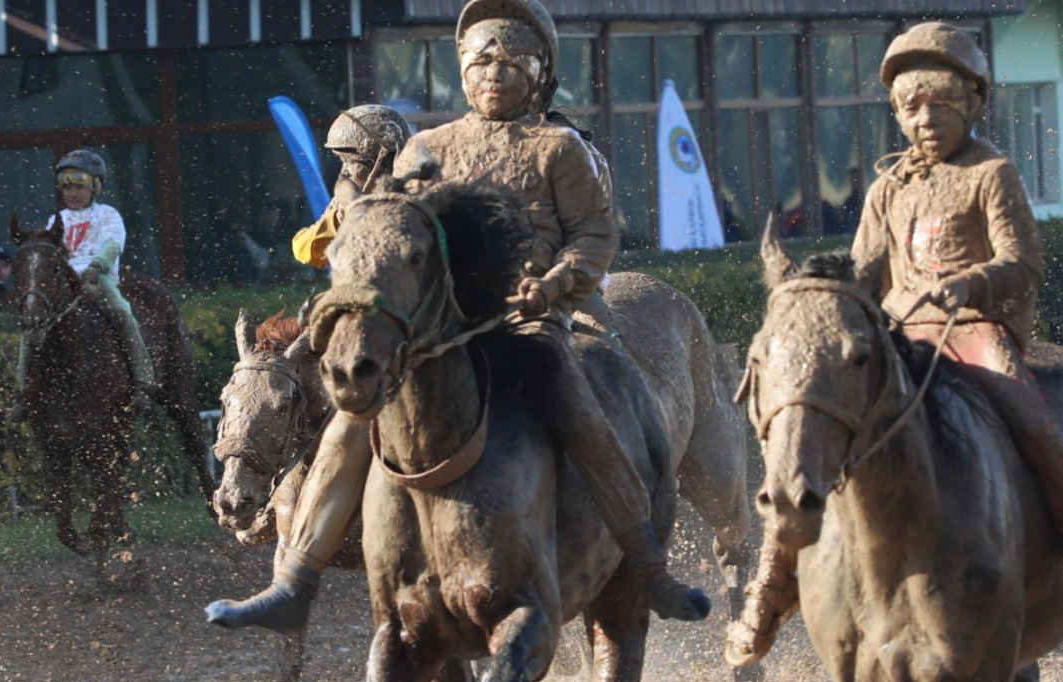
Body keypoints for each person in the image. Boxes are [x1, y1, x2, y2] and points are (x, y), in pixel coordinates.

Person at [208, 0, 709, 634]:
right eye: (478, 60)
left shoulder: (565, 148)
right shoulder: (431, 148)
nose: (492, 73)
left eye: (509, 60)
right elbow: (398, 230)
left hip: (545, 315)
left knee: (588, 407)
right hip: (450, 321)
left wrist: (553, 283)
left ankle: (646, 566)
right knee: (350, 415)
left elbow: (593, 236)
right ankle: (295, 578)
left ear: (540, 72)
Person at [724, 21, 1063, 669]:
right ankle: (770, 589)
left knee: (1034, 425)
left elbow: (1023, 262)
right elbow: (865, 271)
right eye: (912, 107)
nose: (925, 119)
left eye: (940, 105)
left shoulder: (991, 174)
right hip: (896, 340)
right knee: (806, 430)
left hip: (973, 334)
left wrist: (970, 285)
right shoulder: (888, 187)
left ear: (971, 105)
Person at [40, 149, 155, 409]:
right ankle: (23, 391)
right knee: (33, 322)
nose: (71, 193)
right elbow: (49, 250)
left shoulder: (107, 214)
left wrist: (97, 264)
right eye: (66, 187)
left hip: (97, 277)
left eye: (78, 186)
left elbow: (113, 243)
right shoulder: (56, 219)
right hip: (64, 282)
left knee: (121, 312)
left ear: (94, 186)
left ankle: (143, 380)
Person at [292, 104, 415, 270]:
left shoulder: (418, 198)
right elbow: (305, 251)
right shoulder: (344, 204)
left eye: (351, 162)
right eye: (343, 161)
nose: (346, 171)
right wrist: (339, 218)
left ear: (383, 161)